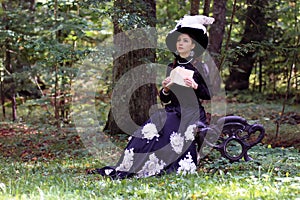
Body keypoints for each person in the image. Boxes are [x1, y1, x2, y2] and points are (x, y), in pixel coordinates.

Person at [88, 15, 214, 179]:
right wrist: (166, 89)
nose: (180, 44)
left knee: (168, 128)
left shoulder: (200, 66)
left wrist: (194, 85)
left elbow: (208, 94)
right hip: (172, 110)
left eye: (185, 41)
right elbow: (166, 99)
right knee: (151, 126)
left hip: (191, 113)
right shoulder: (172, 66)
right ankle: (131, 165)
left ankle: (163, 165)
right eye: (179, 41)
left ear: (193, 46)